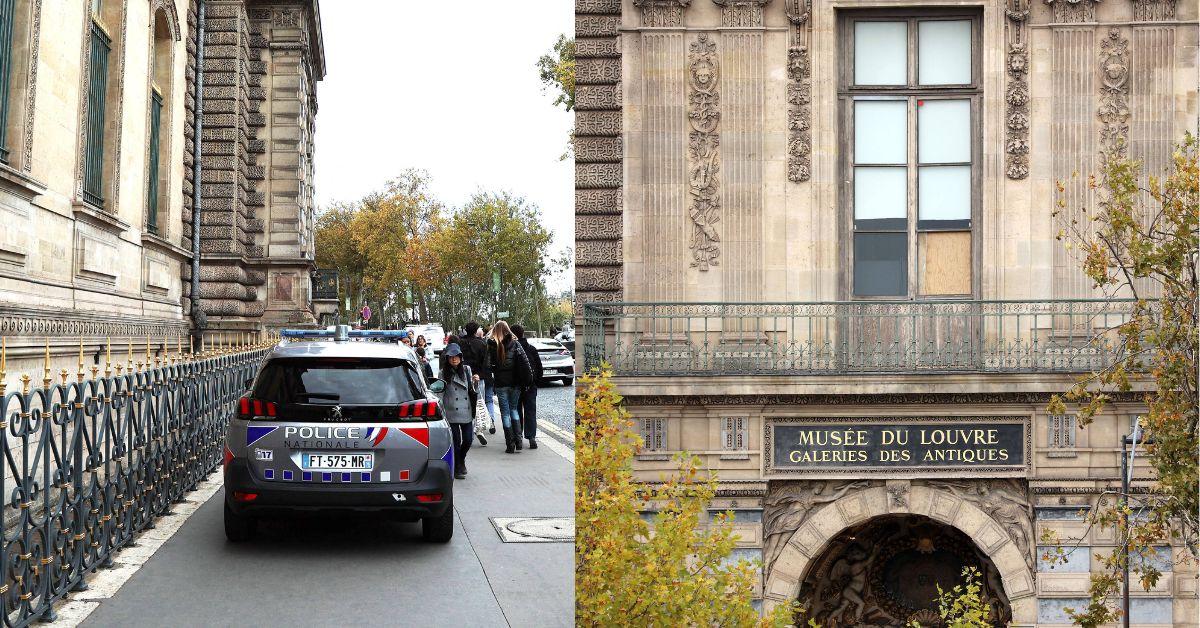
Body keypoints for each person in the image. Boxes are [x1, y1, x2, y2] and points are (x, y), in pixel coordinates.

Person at [487, 320, 534, 454]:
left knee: (505, 413)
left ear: (495, 331)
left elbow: (487, 366)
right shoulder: (516, 343)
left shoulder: (491, 345)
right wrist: (527, 381)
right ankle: (519, 441)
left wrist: (496, 370)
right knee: (514, 410)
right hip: (515, 383)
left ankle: (510, 444)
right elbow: (525, 363)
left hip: (501, 383)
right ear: (508, 330)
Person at [437, 344, 476, 480]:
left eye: (457, 357)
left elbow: (472, 390)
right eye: (451, 357)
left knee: (468, 440)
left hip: (466, 409)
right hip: (451, 410)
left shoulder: (467, 370)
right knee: (456, 441)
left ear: (461, 357)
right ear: (447, 358)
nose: (454, 359)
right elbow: (440, 392)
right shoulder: (443, 373)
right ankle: (458, 466)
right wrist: (440, 409)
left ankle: (461, 459)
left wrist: (475, 382)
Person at [459, 322, 495, 434]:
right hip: (478, 376)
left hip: (463, 376)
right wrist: (481, 374)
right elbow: (486, 363)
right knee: (480, 402)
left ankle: (469, 428)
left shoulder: (460, 343)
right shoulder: (482, 344)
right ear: (476, 331)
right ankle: (479, 427)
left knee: (465, 403)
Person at [512, 325, 543, 449]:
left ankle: (517, 437)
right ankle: (531, 437)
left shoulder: (511, 350)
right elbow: (540, 368)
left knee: (516, 411)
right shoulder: (531, 349)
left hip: (516, 386)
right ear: (523, 333)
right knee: (530, 411)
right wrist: (535, 382)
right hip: (530, 385)